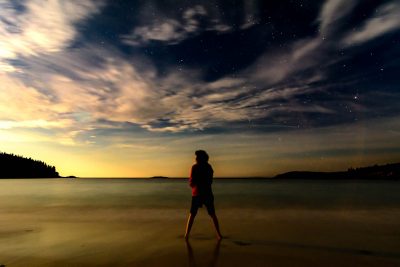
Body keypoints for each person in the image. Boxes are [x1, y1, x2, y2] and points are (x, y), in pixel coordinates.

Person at [184, 150, 222, 240]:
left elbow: (191, 183)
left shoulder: (195, 167)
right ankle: (219, 235)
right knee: (212, 214)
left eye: (197, 157)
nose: (195, 158)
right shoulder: (209, 167)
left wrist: (196, 183)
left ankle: (186, 235)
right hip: (207, 193)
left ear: (200, 158)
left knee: (192, 214)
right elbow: (210, 181)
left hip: (197, 194)